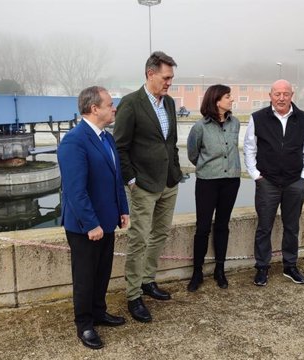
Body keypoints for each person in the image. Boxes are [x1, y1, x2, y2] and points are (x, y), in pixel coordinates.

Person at [113, 51, 183, 323]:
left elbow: (171, 142)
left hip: (168, 181)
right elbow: (120, 147)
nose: (169, 83)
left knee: (160, 233)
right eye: (166, 78)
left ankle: (147, 281)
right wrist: (131, 181)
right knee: (139, 239)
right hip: (143, 185)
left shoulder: (169, 104)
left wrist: (175, 172)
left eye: (171, 78)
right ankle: (133, 296)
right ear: (150, 74)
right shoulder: (131, 104)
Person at [57, 86, 130, 349]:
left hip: (107, 220)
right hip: (85, 226)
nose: (114, 109)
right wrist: (91, 224)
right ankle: (84, 324)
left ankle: (99, 311)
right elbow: (75, 191)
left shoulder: (107, 139)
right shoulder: (74, 141)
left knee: (102, 272)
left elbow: (116, 179)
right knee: (85, 276)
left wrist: (123, 209)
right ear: (94, 108)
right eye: (110, 104)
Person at [243, 79, 304, 287]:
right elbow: (250, 148)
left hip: (295, 181)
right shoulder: (257, 118)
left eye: (285, 94)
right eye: (277, 94)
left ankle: (290, 266)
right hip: (268, 182)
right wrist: (256, 175)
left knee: (292, 227)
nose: (281, 98)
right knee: (264, 227)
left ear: (292, 95)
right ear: (270, 96)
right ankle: (262, 268)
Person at [186, 84, 241, 292]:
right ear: (217, 100)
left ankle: (220, 270)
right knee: (202, 227)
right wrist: (207, 166)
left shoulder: (235, 123)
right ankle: (197, 272)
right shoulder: (200, 127)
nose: (232, 100)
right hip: (207, 181)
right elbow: (193, 153)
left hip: (231, 181)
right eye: (228, 97)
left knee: (222, 225)